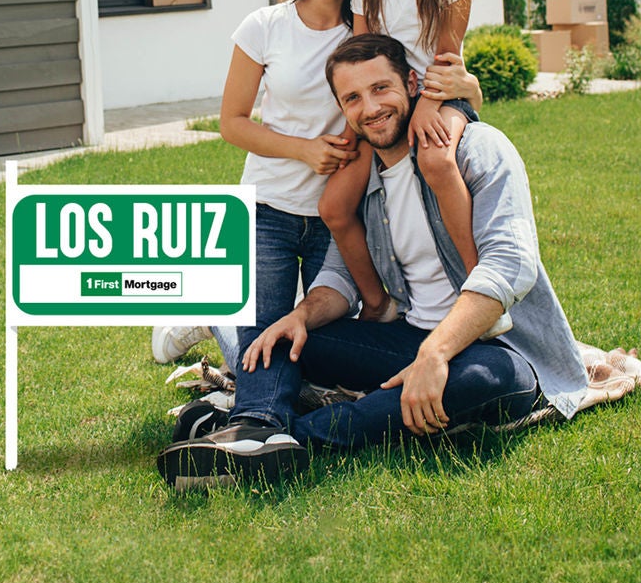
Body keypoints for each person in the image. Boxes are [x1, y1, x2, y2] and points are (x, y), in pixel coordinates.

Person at [157, 33, 593, 490]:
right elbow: (338, 277)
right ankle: (255, 425)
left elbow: (510, 264)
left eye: (380, 89)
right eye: (352, 98)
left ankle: (286, 441)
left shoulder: (477, 149)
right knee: (281, 338)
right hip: (406, 341)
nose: (370, 107)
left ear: (410, 83)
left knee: (489, 379)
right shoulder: (365, 184)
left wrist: (437, 352)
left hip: (496, 349)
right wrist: (303, 315)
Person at [152, 0, 484, 371]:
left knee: (310, 341)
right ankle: (215, 320)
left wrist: (470, 86)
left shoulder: (370, 31)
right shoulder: (264, 26)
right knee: (263, 348)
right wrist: (305, 150)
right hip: (271, 207)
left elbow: (419, 76)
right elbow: (231, 123)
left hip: (345, 211)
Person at [318, 0, 486, 329]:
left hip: (438, 95)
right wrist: (359, 124)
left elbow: (449, 56)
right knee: (333, 204)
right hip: (383, 103)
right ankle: (377, 303)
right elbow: (363, 49)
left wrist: (426, 106)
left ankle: (478, 290)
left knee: (434, 160)